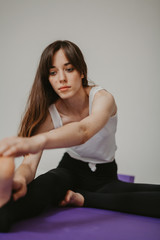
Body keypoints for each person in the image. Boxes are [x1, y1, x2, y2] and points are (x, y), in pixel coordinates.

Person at [0, 40, 160, 232]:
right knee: (47, 184)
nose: (61, 78)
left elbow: (83, 131)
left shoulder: (102, 99)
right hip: (69, 170)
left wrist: (36, 141)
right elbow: (29, 164)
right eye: (53, 72)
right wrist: (18, 180)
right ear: (48, 79)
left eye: (68, 69)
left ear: (81, 72)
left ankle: (83, 198)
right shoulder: (50, 114)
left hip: (105, 178)